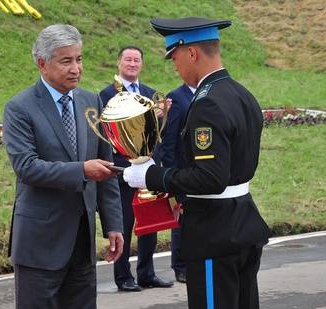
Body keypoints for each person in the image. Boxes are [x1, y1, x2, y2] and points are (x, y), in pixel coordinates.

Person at [123, 17, 271, 309]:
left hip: (213, 231)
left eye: (174, 57)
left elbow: (209, 178)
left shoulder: (207, 103)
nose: (175, 66)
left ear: (192, 53)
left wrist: (152, 176)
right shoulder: (241, 94)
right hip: (242, 221)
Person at [3, 24, 124, 309]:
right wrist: (82, 170)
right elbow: (27, 167)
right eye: (66, 60)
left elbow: (105, 167)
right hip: (39, 246)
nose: (76, 69)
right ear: (42, 64)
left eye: (79, 59)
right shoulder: (19, 107)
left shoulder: (90, 101)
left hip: (82, 245)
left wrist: (113, 225)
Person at [99, 46, 173, 292]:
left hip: (148, 173)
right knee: (123, 227)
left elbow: (156, 136)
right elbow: (105, 136)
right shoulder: (105, 95)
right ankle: (123, 277)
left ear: (141, 64)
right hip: (121, 173)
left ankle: (147, 273)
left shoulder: (151, 95)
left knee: (149, 226)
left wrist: (162, 116)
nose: (132, 63)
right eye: (128, 59)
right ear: (119, 63)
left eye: (136, 60)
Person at [160, 83, 196, 283]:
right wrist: (172, 174)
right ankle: (180, 266)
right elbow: (169, 141)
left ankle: (193, 261)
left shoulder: (206, 92)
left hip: (201, 170)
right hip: (180, 171)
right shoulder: (176, 97)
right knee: (181, 218)